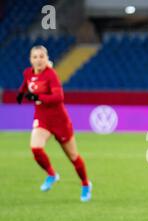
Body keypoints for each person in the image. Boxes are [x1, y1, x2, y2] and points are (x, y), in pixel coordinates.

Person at [17, 45, 92, 202]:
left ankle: (85, 184)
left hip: (59, 121)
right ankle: (52, 174)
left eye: (41, 56)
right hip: (42, 120)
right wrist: (20, 93)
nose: (38, 60)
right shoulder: (28, 73)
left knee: (73, 156)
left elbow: (59, 97)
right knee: (36, 148)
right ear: (30, 59)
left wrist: (38, 98)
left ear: (46, 58)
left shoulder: (51, 75)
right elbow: (26, 85)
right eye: (35, 57)